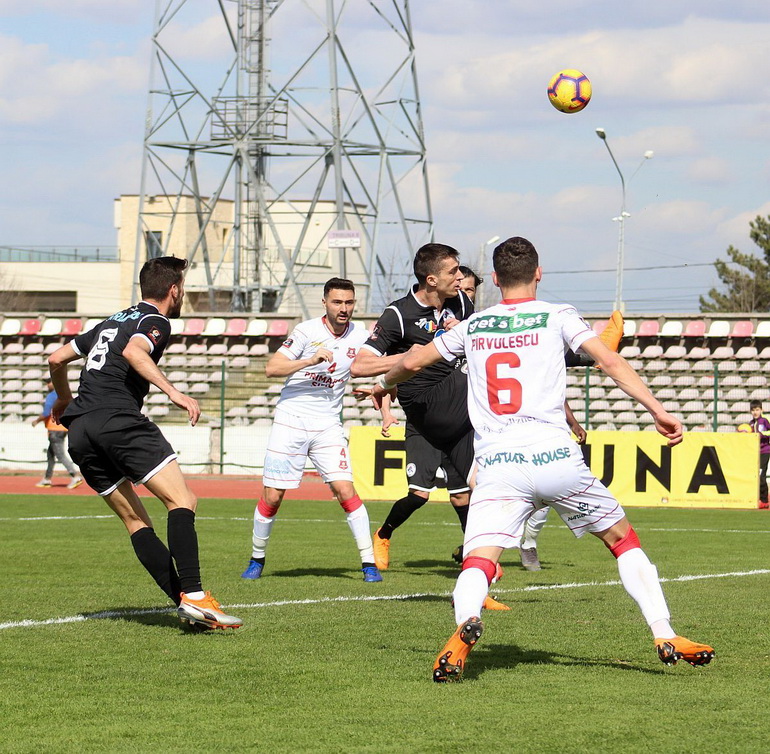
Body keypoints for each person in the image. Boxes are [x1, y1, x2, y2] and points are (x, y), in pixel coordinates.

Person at [372, 236, 714, 681]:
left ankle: (463, 628)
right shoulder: (557, 315)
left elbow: (414, 363)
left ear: (493, 280)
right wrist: (658, 410)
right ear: (538, 274)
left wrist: (385, 383)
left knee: (478, 559)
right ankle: (664, 633)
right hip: (556, 457)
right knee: (622, 541)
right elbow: (607, 361)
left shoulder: (472, 327)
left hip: (498, 466)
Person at [48, 256, 242, 631]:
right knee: (182, 500)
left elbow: (57, 358)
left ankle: (187, 605)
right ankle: (197, 596)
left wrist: (62, 399)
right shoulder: (155, 321)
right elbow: (134, 352)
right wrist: (175, 393)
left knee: (136, 521)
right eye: (182, 287)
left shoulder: (109, 321)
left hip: (80, 430)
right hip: (117, 420)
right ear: (174, 289)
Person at [240, 278, 382, 583]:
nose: (344, 309)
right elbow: (272, 368)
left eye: (349, 302)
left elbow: (377, 367)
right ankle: (257, 558)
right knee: (274, 496)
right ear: (325, 303)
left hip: (328, 425)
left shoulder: (361, 335)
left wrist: (374, 390)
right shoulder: (307, 331)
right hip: (291, 420)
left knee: (345, 490)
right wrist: (309, 360)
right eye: (337, 302)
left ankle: (369, 564)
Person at [33, 381, 83, 489]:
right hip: (63, 428)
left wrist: (36, 421)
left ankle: (75, 476)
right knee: (51, 454)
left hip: (54, 429)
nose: (47, 385)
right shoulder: (64, 395)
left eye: (49, 383)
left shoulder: (52, 395)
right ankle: (47, 478)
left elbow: (47, 412)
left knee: (60, 454)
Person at [748, 400, 770, 509]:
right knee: (753, 476)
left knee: (761, 475)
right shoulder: (750, 424)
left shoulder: (764, 421)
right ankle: (756, 498)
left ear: (761, 410)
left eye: (757, 410)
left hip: (764, 451)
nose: (755, 412)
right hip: (753, 453)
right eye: (753, 410)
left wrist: (762, 434)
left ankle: (765, 500)